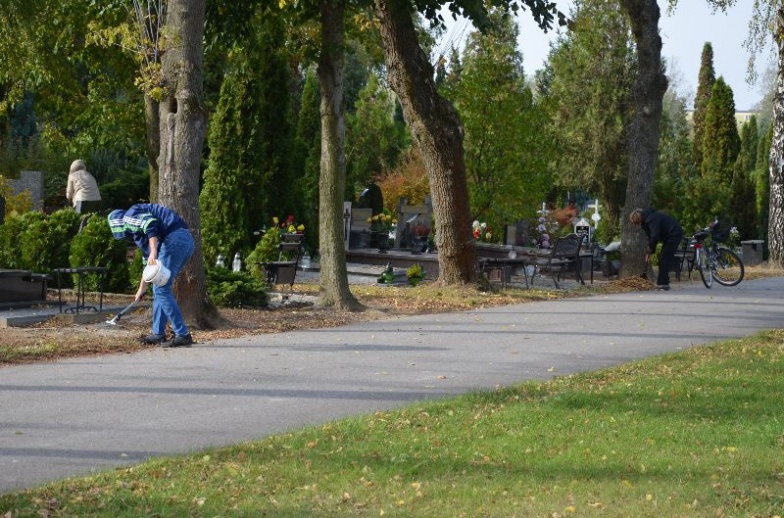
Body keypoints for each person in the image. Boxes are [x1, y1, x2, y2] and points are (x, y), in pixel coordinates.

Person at [108, 203, 195, 347]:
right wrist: (141, 289)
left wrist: (154, 250)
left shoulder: (129, 215)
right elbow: (149, 266)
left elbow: (150, 223)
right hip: (184, 242)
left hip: (175, 238)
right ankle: (158, 334)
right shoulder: (140, 236)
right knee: (158, 288)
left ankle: (183, 334)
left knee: (161, 289)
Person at [629, 208, 683, 291]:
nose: (638, 225)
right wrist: (649, 251)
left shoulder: (651, 219)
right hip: (668, 236)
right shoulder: (648, 219)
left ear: (639, 219)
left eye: (637, 223)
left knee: (664, 258)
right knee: (663, 257)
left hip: (674, 234)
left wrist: (650, 249)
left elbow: (655, 236)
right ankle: (663, 282)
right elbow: (651, 237)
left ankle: (663, 284)